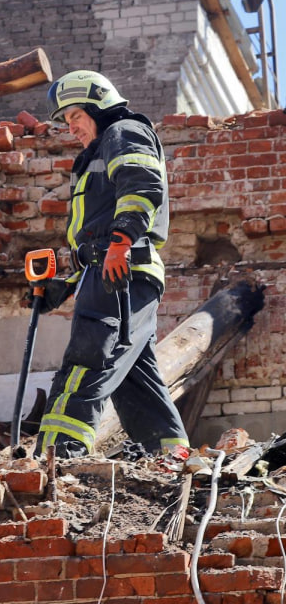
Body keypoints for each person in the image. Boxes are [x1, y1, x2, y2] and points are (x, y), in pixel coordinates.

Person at [33, 70, 188, 458]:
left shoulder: (124, 133)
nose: (72, 129)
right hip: (118, 269)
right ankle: (170, 455)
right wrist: (64, 284)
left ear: (98, 107)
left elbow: (141, 186)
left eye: (76, 118)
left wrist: (121, 242)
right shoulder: (98, 152)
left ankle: (59, 455)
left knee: (89, 360)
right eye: (66, 122)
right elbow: (91, 240)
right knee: (137, 379)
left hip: (121, 270)